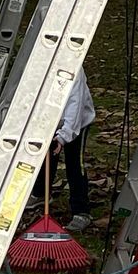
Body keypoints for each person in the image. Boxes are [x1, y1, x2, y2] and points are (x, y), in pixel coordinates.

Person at [51, 69, 94, 232]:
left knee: (75, 163)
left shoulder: (74, 69)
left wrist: (64, 136)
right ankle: (40, 193)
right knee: (46, 158)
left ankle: (81, 210)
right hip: (49, 120)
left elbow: (75, 106)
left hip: (77, 122)